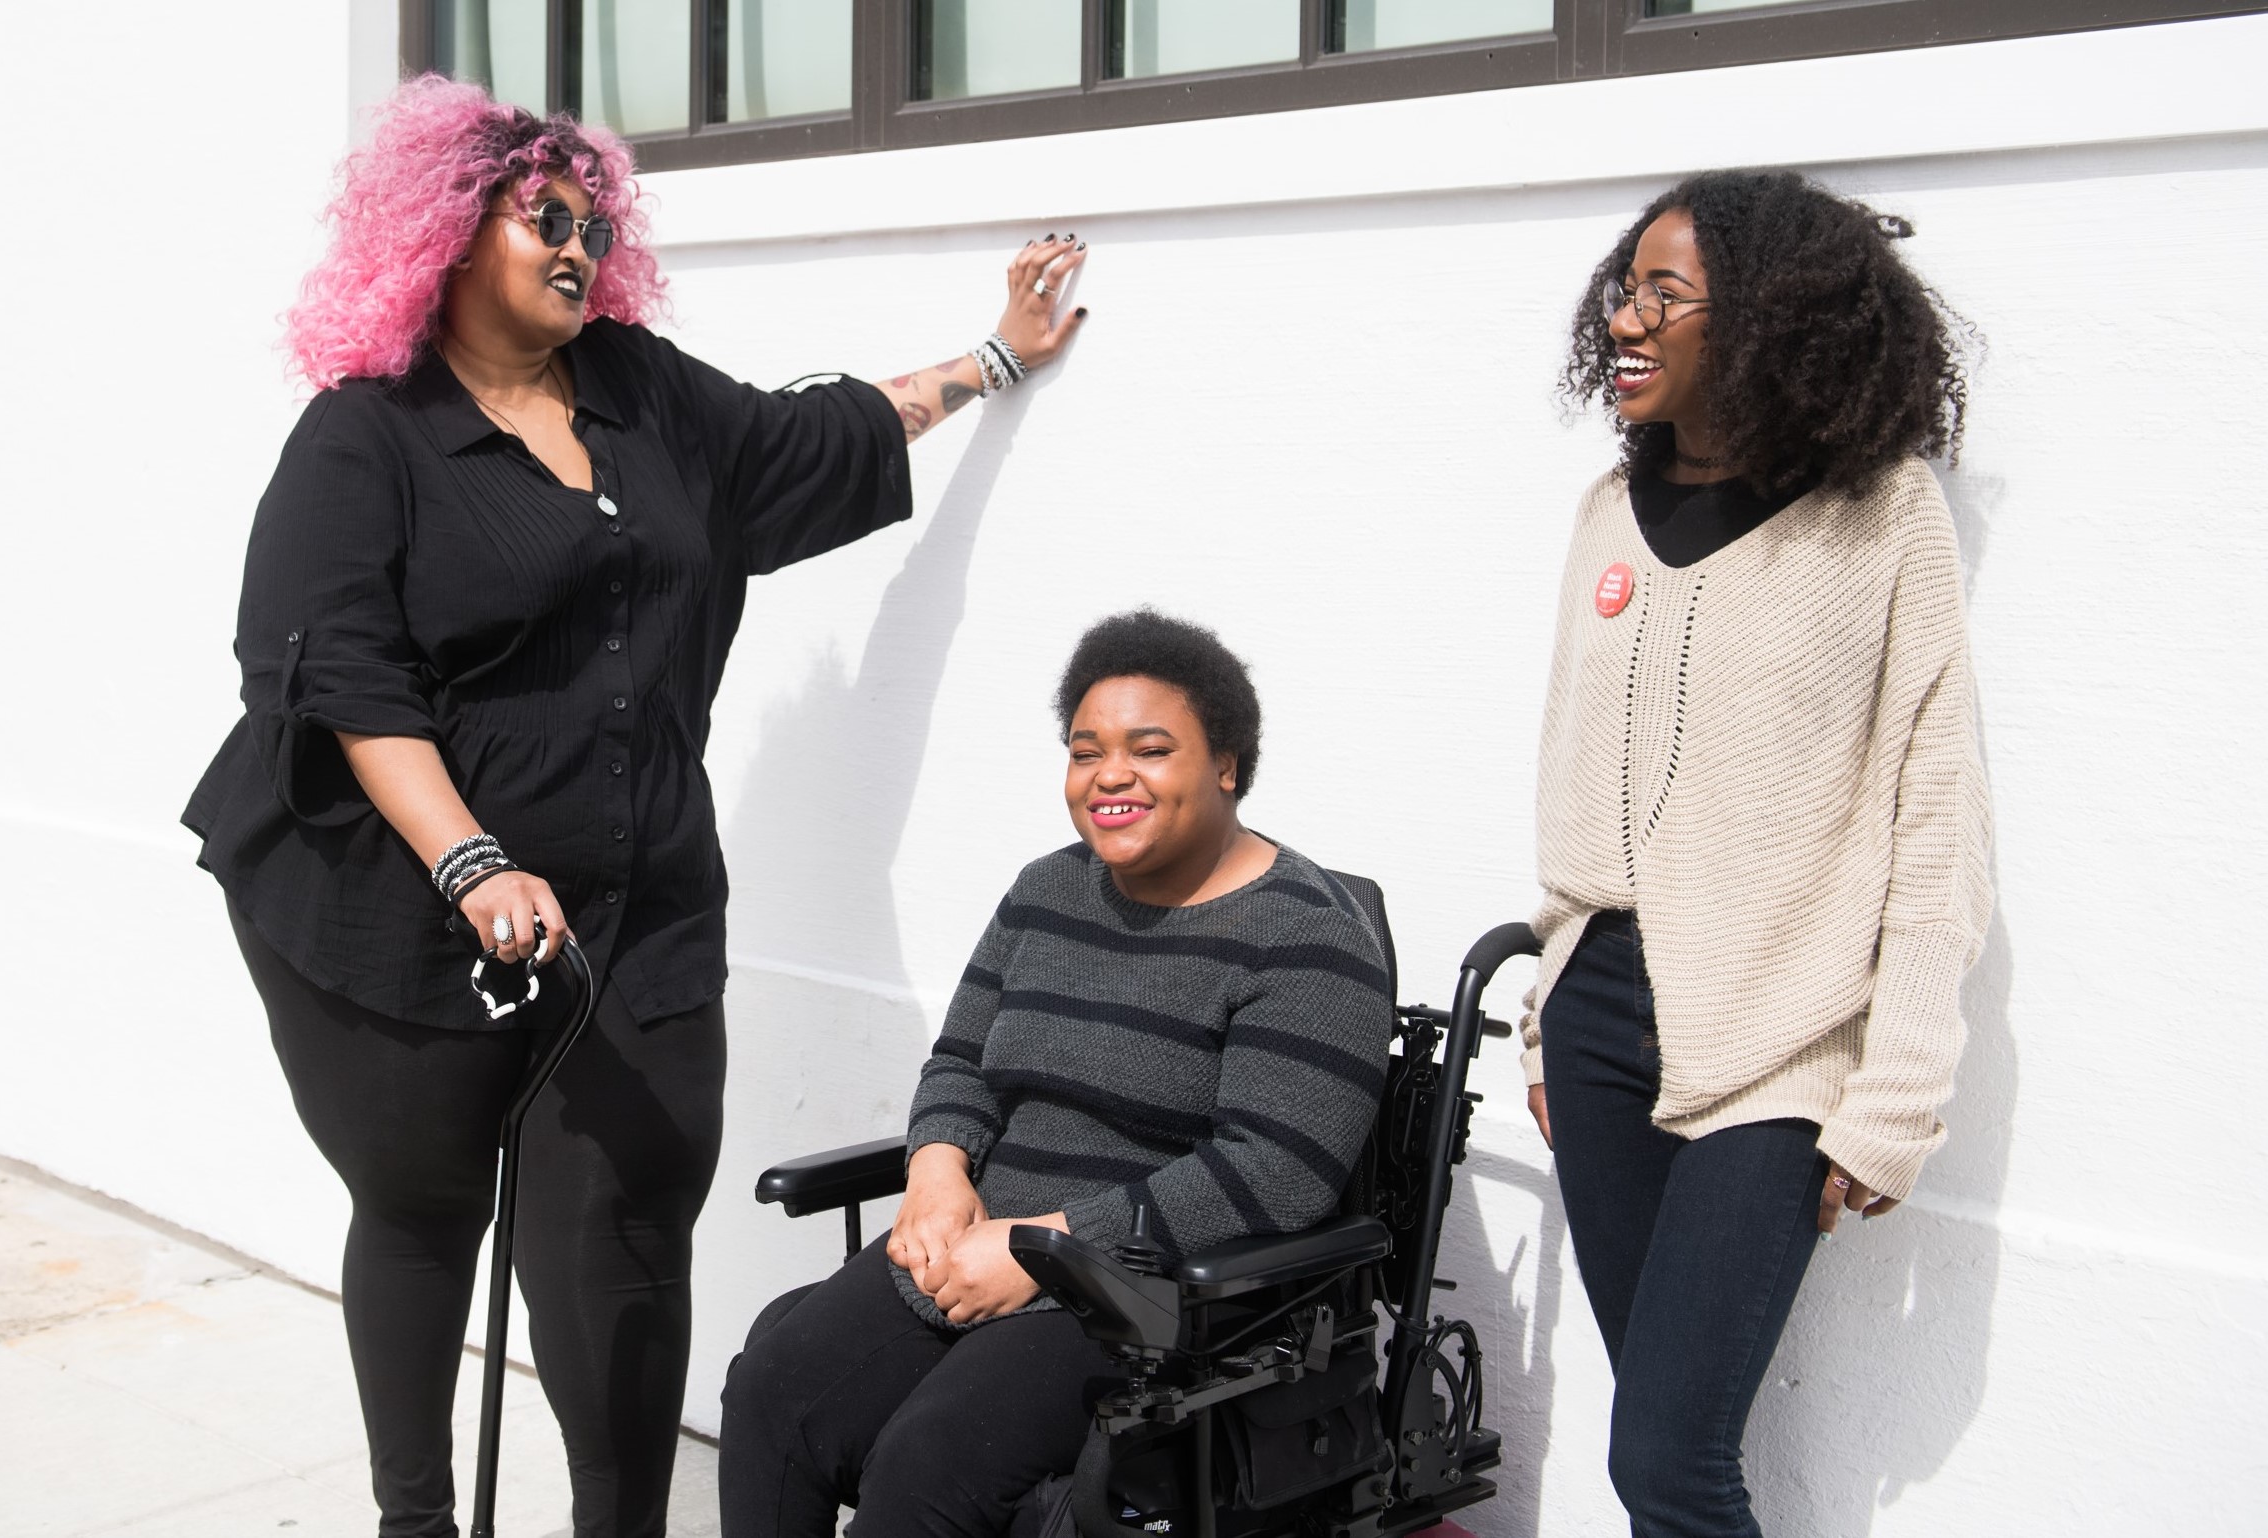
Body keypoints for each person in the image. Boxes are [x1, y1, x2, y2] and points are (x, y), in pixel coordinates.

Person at [180, 76, 1087, 1538]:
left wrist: (992, 355)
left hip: (635, 910)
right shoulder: (366, 439)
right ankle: (416, 1519)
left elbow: (814, 443)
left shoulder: (644, 393)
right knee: (422, 1213)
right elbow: (342, 677)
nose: (574, 245)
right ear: (443, 230)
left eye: (594, 224)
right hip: (391, 921)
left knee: (622, 1239)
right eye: (542, 214)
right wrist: (471, 856)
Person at [1520, 168, 1993, 1537]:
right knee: (1651, 1437)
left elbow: (1933, 809)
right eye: (1625, 284)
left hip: (1778, 1034)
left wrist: (1893, 1090)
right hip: (1599, 1010)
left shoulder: (1881, 517)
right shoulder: (1604, 515)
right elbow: (1566, 772)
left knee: (1665, 1460)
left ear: (1773, 321)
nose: (1626, 315)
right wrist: (1551, 1009)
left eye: (1664, 291)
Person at [716, 609, 1393, 1536]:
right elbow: (961, 1063)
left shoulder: (1306, 936)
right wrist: (937, 1170)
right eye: (1085, 751)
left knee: (927, 1463)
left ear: (1226, 763)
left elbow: (1270, 1175)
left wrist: (1049, 1249)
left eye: (1149, 749)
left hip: (1151, 1297)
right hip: (975, 1246)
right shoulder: (1047, 890)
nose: (1110, 774)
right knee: (773, 1396)